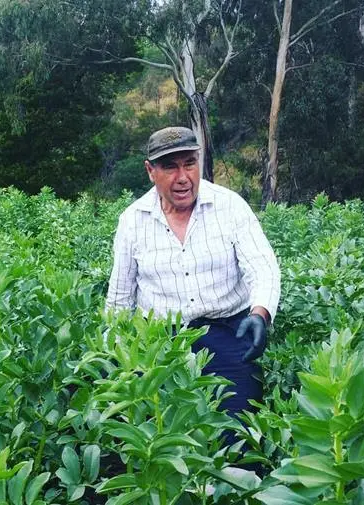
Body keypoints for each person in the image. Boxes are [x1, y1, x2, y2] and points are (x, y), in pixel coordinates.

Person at [105, 126, 281, 415]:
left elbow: (263, 267)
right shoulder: (132, 220)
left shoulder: (230, 206)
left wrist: (260, 314)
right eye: (170, 167)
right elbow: (120, 297)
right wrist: (115, 352)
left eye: (190, 163)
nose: (183, 178)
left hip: (227, 334)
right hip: (159, 343)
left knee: (238, 437)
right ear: (151, 171)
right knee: (157, 433)